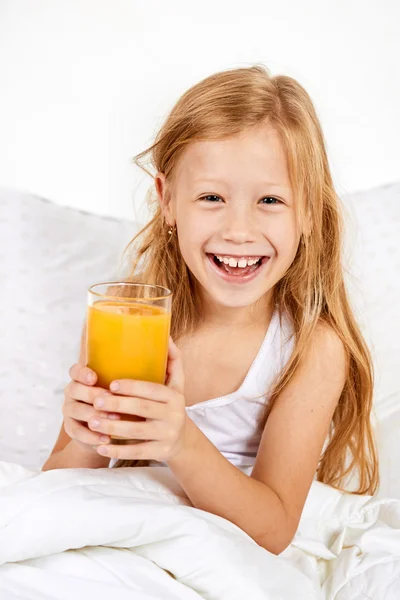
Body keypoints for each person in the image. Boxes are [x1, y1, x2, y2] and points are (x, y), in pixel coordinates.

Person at [42, 64, 379, 555]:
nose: (238, 230)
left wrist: (181, 441)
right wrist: (89, 436)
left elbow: (274, 530)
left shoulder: (311, 348)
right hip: (130, 532)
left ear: (308, 211)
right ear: (167, 201)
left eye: (269, 199)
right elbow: (54, 487)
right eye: (211, 197)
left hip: (230, 550)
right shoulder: (128, 316)